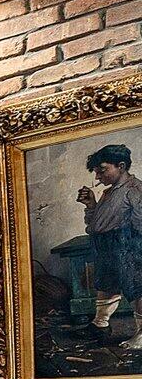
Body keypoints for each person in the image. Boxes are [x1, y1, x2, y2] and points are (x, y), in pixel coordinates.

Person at [80, 142, 142, 340]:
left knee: (136, 287)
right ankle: (100, 325)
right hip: (106, 245)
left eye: (102, 170)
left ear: (121, 166)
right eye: (96, 172)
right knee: (106, 284)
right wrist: (91, 204)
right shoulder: (109, 192)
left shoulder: (135, 190)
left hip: (127, 245)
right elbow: (95, 224)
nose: (98, 177)